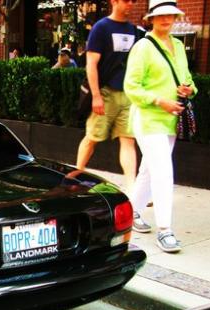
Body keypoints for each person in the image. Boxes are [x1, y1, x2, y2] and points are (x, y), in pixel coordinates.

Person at [124, 0, 196, 253]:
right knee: (163, 170)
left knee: (148, 170)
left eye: (171, 15)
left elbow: (187, 79)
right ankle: (165, 229)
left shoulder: (177, 45)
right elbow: (131, 87)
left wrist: (188, 89)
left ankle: (130, 213)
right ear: (151, 19)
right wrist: (159, 100)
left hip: (170, 120)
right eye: (161, 15)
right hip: (148, 119)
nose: (167, 20)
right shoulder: (142, 47)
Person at [75, 0, 139, 193]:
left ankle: (132, 187)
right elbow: (91, 64)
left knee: (128, 140)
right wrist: (96, 95)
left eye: (133, 1)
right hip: (105, 92)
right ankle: (76, 176)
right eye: (126, 1)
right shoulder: (101, 28)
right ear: (114, 1)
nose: (130, 5)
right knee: (93, 137)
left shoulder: (134, 30)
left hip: (127, 94)